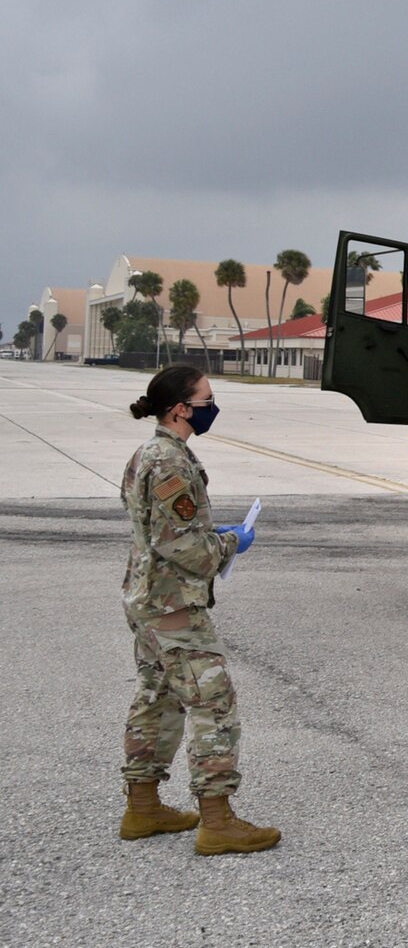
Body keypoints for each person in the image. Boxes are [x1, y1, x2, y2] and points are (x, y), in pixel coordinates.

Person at [117, 365, 279, 855]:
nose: (213, 407)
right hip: (172, 606)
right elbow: (181, 546)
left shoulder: (149, 454)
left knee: (158, 696)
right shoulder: (170, 463)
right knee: (213, 703)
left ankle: (143, 807)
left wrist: (212, 534)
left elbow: (157, 528)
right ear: (180, 409)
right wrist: (230, 544)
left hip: (147, 599)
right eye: (206, 400)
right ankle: (218, 821)